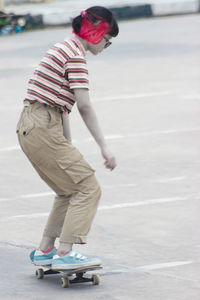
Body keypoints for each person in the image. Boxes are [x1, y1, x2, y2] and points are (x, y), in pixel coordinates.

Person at [16, 6, 119, 270]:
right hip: (41, 126)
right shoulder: (75, 56)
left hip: (32, 125)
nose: (106, 47)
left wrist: (68, 147)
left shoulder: (62, 47)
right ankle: (65, 253)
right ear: (97, 33)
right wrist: (104, 147)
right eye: (107, 42)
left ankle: (46, 250)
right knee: (88, 187)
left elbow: (61, 109)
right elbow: (84, 106)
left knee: (67, 189)